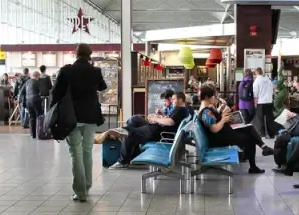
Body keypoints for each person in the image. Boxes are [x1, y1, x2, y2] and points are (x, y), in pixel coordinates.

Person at [50, 44, 106, 202]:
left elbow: (56, 93)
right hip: (91, 116)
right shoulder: (95, 71)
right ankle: (87, 185)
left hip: (71, 117)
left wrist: (53, 113)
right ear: (90, 54)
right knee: (87, 150)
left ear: (75, 54)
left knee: (76, 153)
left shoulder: (67, 71)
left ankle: (80, 191)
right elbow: (103, 87)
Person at [198, 85, 273, 174]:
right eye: (213, 96)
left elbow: (214, 122)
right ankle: (255, 164)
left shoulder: (207, 108)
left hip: (224, 133)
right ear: (207, 97)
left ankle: (264, 149)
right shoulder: (206, 112)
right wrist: (223, 119)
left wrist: (222, 115)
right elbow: (214, 129)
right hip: (221, 138)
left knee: (249, 128)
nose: (215, 98)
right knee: (249, 139)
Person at [110, 92, 191, 169]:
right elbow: (171, 121)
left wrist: (155, 119)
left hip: (157, 133)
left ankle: (122, 161)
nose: (172, 101)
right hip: (158, 131)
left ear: (180, 100)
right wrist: (160, 119)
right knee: (134, 122)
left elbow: (170, 122)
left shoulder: (180, 109)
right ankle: (122, 132)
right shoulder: (182, 109)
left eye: (174, 99)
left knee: (129, 134)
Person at [252, 67, 276, 138]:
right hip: (269, 101)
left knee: (260, 119)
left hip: (261, 102)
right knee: (269, 119)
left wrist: (255, 103)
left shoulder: (257, 81)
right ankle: (272, 134)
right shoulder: (268, 80)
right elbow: (272, 90)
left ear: (256, 73)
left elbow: (255, 94)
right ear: (262, 72)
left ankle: (262, 135)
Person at [23, 71, 44, 139]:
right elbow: (43, 91)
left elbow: (22, 92)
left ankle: (33, 134)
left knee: (32, 117)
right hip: (36, 100)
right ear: (37, 76)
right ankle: (39, 133)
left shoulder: (27, 82)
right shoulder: (37, 82)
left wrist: (24, 103)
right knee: (39, 117)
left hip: (28, 101)